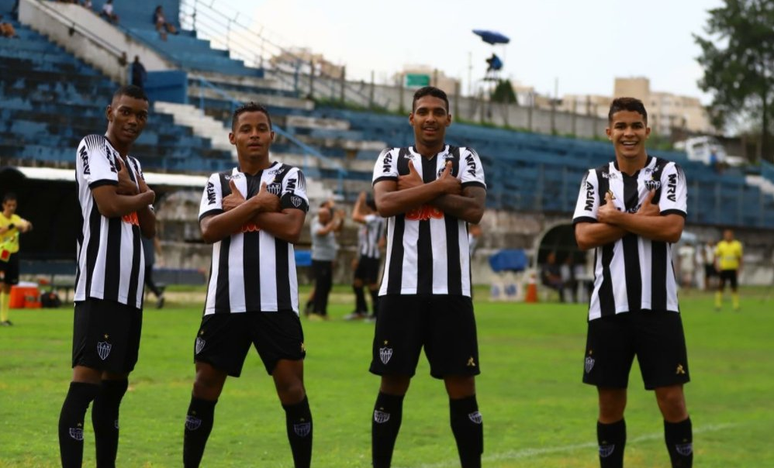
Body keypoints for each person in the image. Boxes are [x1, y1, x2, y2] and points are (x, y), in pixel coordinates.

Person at [182, 102, 312, 468]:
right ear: (232, 137)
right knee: (204, 387)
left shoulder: (290, 175)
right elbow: (209, 230)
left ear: (272, 135)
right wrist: (258, 204)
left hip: (277, 304)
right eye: (246, 129)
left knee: (292, 390)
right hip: (225, 304)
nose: (253, 134)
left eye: (261, 128)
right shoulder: (218, 182)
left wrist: (239, 209)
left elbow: (292, 229)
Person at [370, 86, 486, 468]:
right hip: (399, 292)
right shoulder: (391, 158)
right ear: (412, 118)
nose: (431, 118)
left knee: (462, 388)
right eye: (423, 111)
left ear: (449, 119)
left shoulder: (466, 158)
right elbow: (385, 203)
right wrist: (438, 187)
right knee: (392, 385)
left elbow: (473, 211)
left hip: (451, 292)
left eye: (438, 111)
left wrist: (417, 192)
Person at [573, 97, 693, 468]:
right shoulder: (595, 178)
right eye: (621, 126)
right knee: (610, 404)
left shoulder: (668, 172)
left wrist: (615, 218)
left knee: (671, 400)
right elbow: (583, 237)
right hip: (608, 310)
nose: (629, 133)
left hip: (659, 308)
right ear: (609, 132)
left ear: (647, 130)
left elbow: (672, 228)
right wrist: (638, 220)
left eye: (636, 126)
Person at [59, 85, 157, 468]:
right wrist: (146, 196)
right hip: (100, 287)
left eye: (141, 115)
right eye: (126, 112)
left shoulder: (132, 166)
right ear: (110, 112)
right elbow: (109, 204)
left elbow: (148, 228)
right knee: (85, 387)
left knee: (114, 390)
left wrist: (138, 191)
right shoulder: (94, 146)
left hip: (130, 295)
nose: (133, 121)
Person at [344, 191, 385, 321]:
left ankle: (377, 313)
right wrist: (357, 257)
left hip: (372, 256)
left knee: (372, 284)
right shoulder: (369, 221)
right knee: (357, 282)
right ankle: (360, 310)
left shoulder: (375, 219)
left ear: (369, 207)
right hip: (364, 255)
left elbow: (355, 216)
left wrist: (358, 202)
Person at [0, 193, 33, 326]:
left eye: (14, 205)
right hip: (2, 254)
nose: (12, 208)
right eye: (9, 205)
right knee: (1, 285)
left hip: (13, 253)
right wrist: (14, 226)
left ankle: (3, 318)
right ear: (4, 205)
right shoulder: (2, 217)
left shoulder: (16, 218)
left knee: (8, 286)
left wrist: (26, 225)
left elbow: (27, 226)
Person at [308, 203, 342, 320]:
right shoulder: (316, 223)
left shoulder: (327, 223)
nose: (329, 218)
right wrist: (335, 218)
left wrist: (340, 220)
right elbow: (323, 232)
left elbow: (337, 229)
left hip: (328, 260)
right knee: (320, 286)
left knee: (327, 286)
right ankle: (316, 311)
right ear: (321, 216)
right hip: (320, 259)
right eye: (327, 216)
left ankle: (322, 311)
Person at [714, 229, 743, 311]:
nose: (728, 236)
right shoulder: (721, 245)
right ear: (724, 235)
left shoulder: (737, 245)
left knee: (734, 287)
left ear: (732, 235)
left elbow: (740, 258)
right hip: (723, 269)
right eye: (726, 235)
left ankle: (736, 305)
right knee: (720, 286)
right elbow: (716, 256)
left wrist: (740, 268)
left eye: (729, 235)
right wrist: (716, 266)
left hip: (733, 269)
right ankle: (718, 305)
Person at [141, 234, 165, 308]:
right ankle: (159, 295)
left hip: (143, 258)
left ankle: (159, 294)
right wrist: (160, 256)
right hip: (149, 259)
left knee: (144, 280)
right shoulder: (150, 229)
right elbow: (156, 242)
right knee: (147, 280)